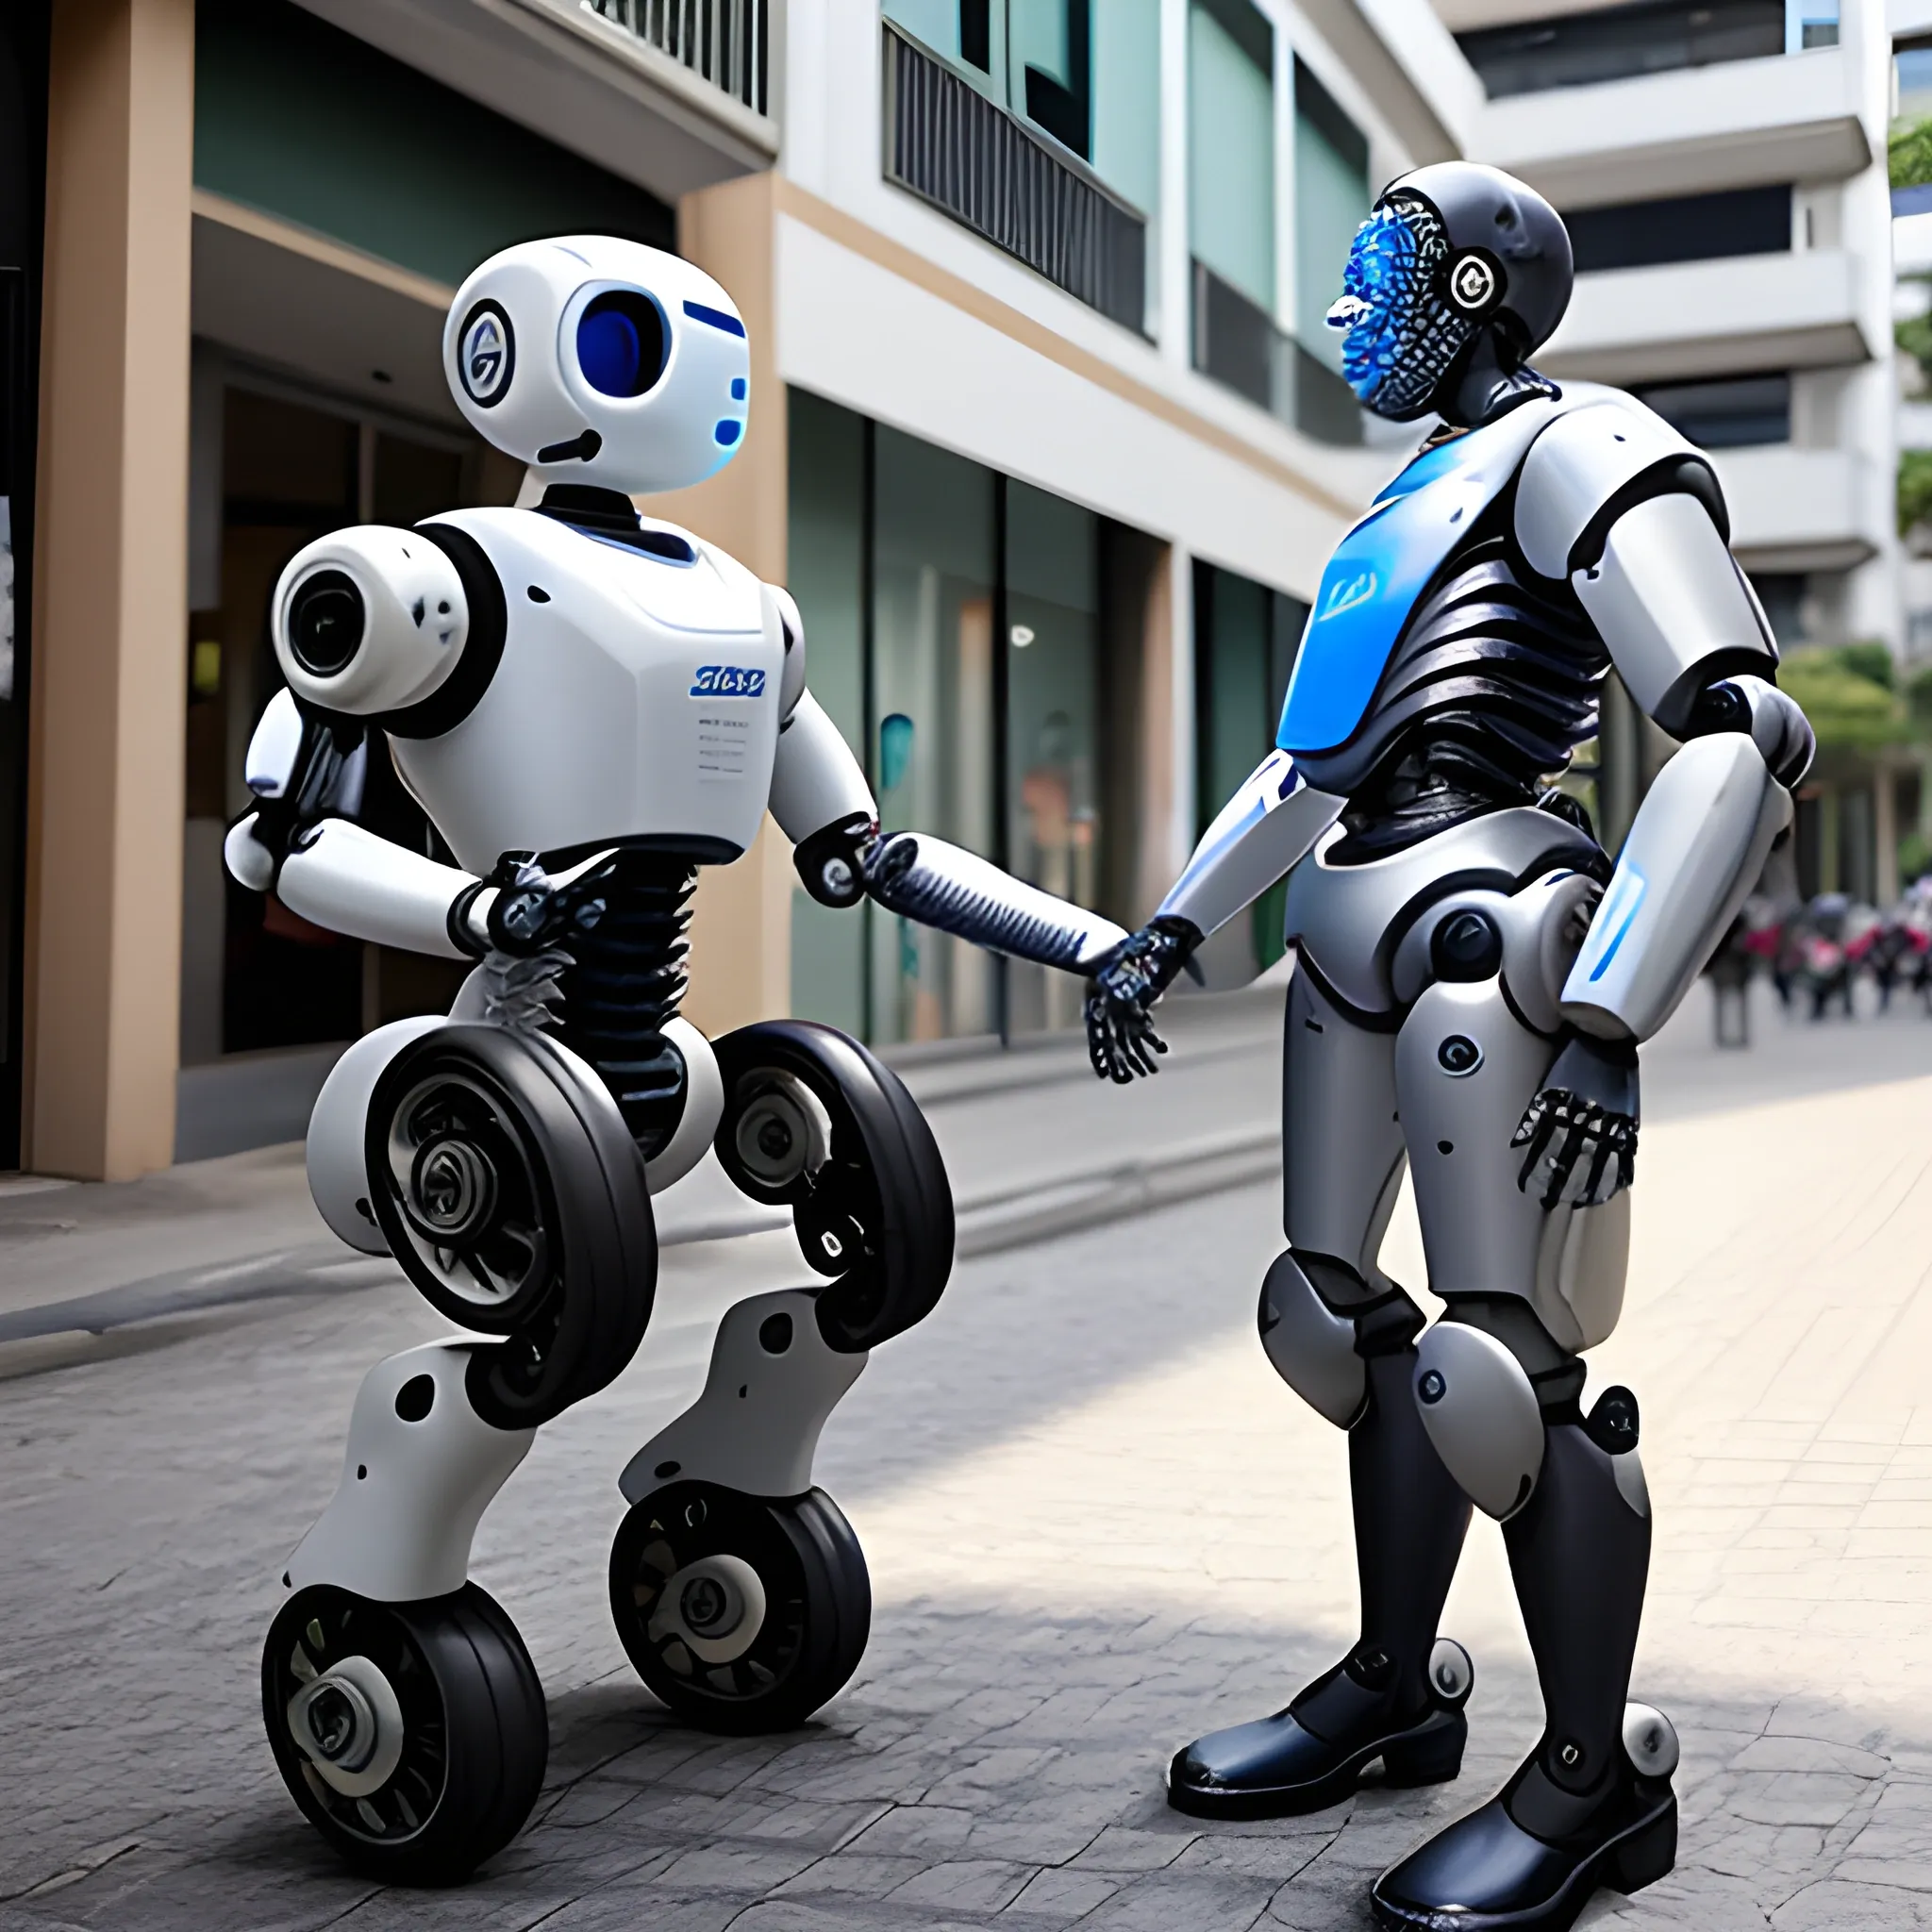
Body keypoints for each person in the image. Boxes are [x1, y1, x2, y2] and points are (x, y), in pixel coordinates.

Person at [1076, 163, 1813, 1932]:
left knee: (1502, 1370)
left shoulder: (1578, 445)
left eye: (1369, 276)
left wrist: (1617, 1010)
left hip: (1494, 926)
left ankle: (1590, 1776)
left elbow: (1736, 719)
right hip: (1346, 924)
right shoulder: (1394, 508)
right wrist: (1175, 925)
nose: (1340, 312)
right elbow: (1308, 767)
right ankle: (1397, 1685)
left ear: (1472, 289)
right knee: (1333, 1320)